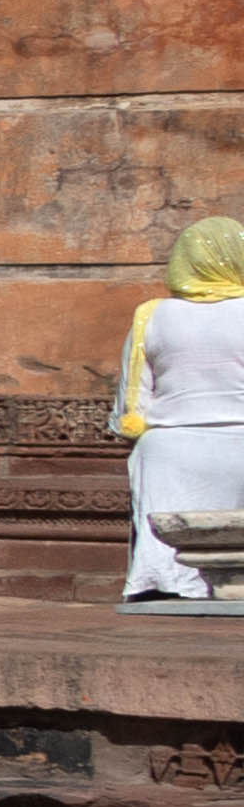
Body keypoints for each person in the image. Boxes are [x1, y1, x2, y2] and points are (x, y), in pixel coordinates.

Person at [120, 216, 244, 604]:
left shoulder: (151, 315)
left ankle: (161, 582)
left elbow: (131, 404)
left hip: (170, 451)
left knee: (161, 544)